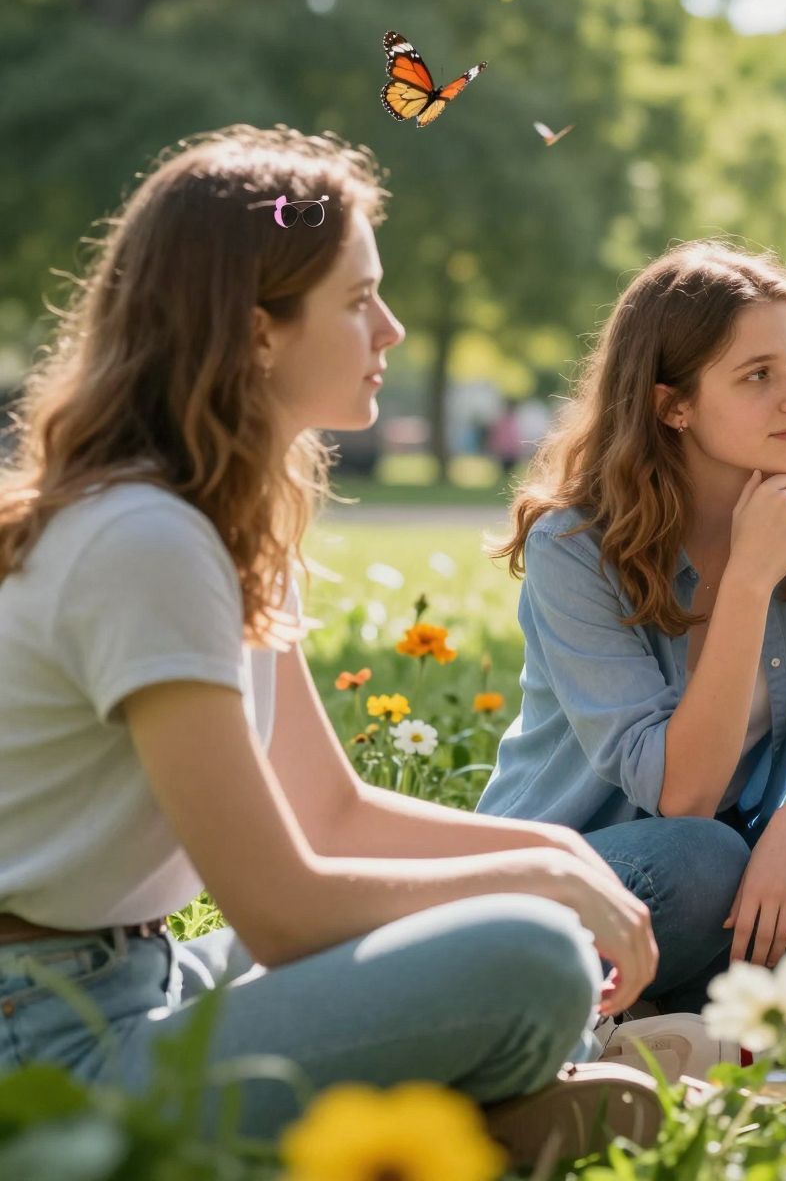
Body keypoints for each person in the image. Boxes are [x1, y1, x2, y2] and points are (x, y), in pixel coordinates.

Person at [0, 126, 662, 1167]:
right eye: (358, 301)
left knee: (514, 923)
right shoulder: (144, 541)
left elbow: (330, 811)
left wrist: (554, 853)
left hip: (137, 980)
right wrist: (542, 893)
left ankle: (449, 1120)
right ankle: (466, 1122)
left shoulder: (205, 525)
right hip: (42, 1051)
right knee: (528, 953)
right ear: (257, 332)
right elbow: (280, 912)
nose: (390, 329)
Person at [478, 240, 786, 1023]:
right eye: (757, 376)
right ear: (672, 404)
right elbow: (686, 793)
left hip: (728, 867)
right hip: (571, 880)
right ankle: (705, 1003)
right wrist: (746, 581)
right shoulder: (574, 543)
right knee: (701, 859)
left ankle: (675, 1011)